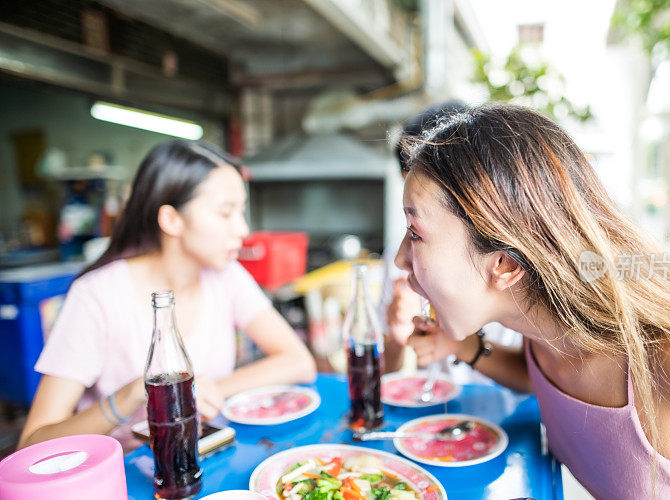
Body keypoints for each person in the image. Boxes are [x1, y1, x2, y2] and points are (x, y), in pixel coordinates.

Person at [394, 104, 670, 500]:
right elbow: (548, 381)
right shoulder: (547, 333)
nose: (401, 259)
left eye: (415, 233)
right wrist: (462, 345)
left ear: (506, 265)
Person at [19, 140, 316, 452]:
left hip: (206, 456)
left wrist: (201, 390)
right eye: (225, 213)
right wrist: (132, 394)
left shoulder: (227, 275)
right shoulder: (96, 296)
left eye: (241, 211)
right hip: (129, 477)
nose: (242, 229)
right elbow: (31, 445)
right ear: (172, 220)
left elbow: (298, 361)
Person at [382, 101, 521, 376]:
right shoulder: (404, 259)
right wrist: (398, 339)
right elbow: (387, 370)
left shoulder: (506, 250)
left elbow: (534, 375)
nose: (402, 259)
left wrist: (462, 346)